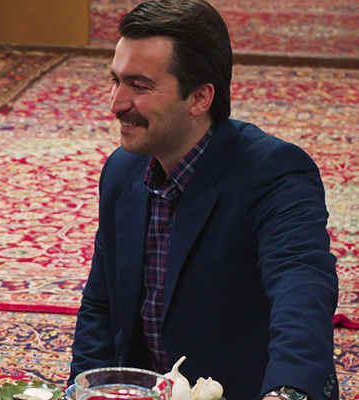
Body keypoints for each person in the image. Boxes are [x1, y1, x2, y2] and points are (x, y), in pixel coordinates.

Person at [68, 1, 339, 399]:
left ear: (199, 97)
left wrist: (287, 392)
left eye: (139, 87)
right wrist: (86, 390)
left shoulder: (274, 172)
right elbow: (101, 307)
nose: (116, 103)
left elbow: (302, 289)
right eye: (116, 81)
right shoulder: (122, 172)